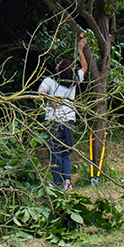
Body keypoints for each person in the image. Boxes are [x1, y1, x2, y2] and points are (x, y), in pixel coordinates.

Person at [38, 34, 88, 190]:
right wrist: (81, 50)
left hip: (53, 121)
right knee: (66, 151)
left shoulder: (50, 81)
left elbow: (40, 92)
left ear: (60, 69)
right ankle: (67, 182)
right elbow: (84, 68)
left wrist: (50, 101)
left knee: (54, 152)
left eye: (59, 63)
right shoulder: (74, 82)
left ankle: (57, 181)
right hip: (69, 121)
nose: (57, 63)